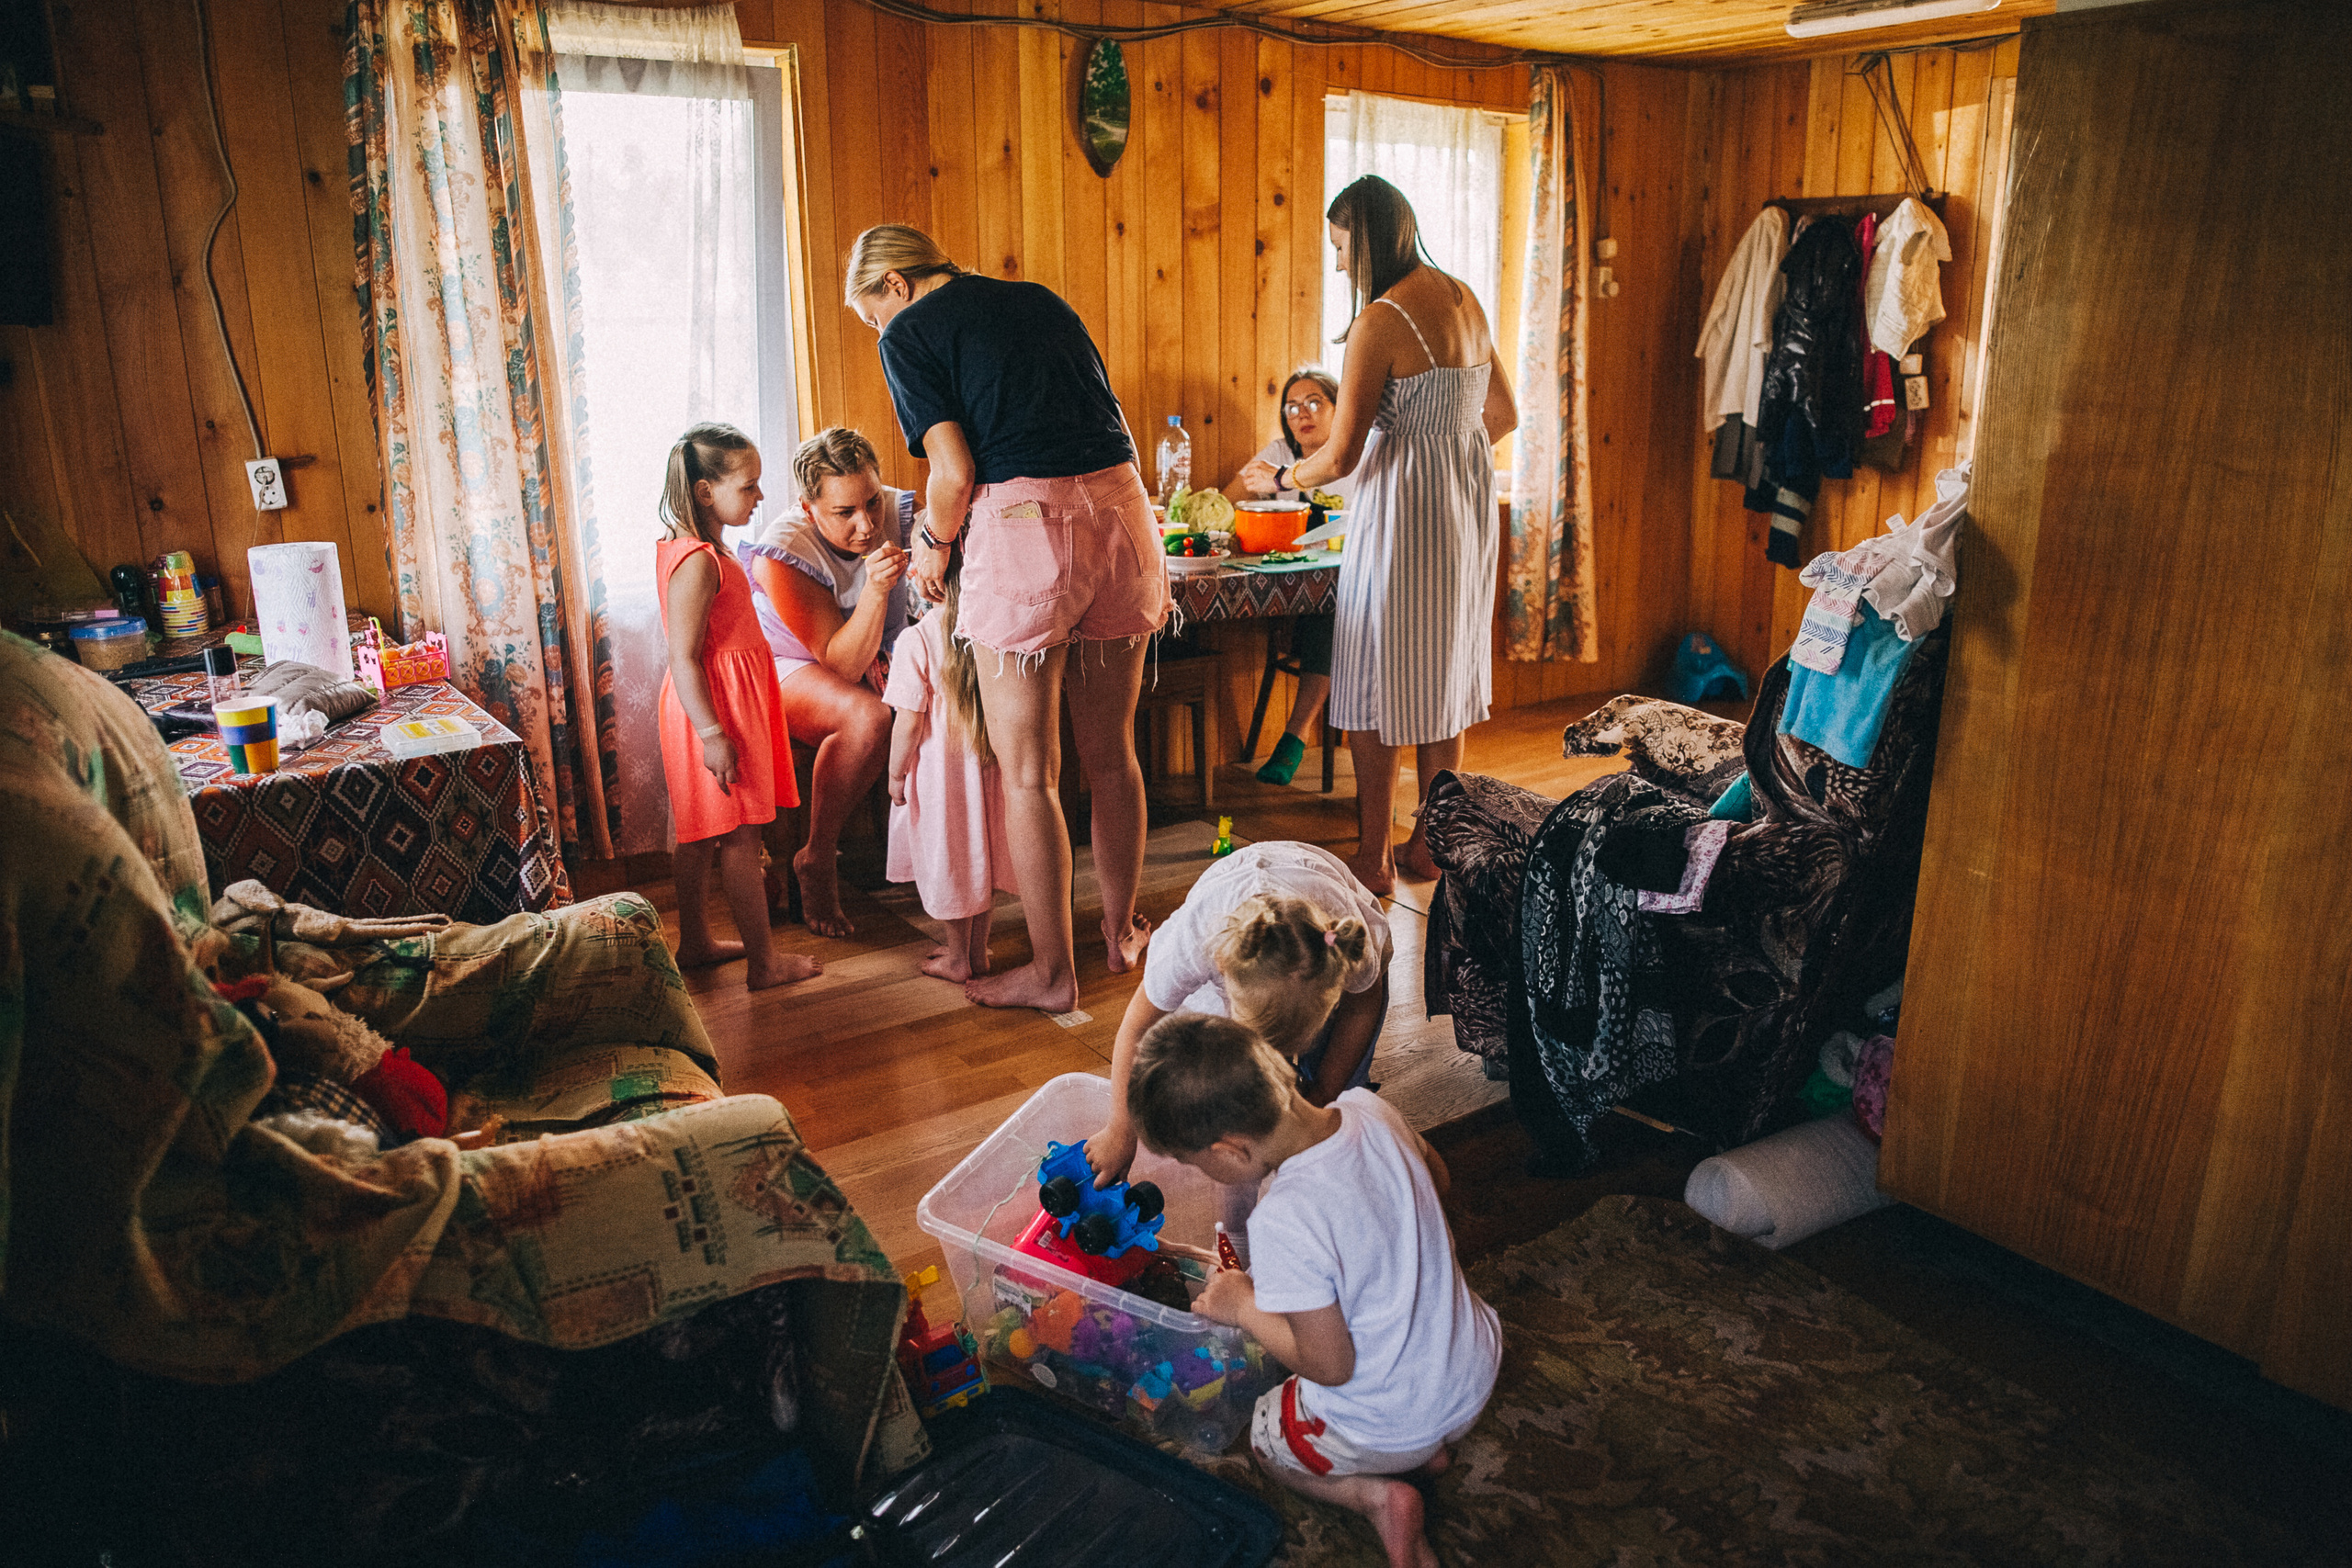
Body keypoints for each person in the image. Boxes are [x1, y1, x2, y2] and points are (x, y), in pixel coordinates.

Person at [848, 223, 1168, 1012]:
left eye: (872, 316)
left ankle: (1053, 975)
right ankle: (1123, 934)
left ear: (894, 285)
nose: (880, 333)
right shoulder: (1038, 299)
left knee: (1031, 772)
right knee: (1112, 752)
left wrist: (932, 544)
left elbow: (952, 472)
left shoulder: (911, 330)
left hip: (1025, 527)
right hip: (1125, 515)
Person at [1129, 1015, 1500, 1568]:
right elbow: (1438, 1180)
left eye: (1194, 1161)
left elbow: (1330, 1365)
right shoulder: (1369, 1109)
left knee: (1268, 1439)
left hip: (1398, 1417)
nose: (1200, 1172)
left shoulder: (1281, 1217)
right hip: (1473, 1369)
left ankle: (1380, 1495)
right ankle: (1419, 1450)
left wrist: (1243, 1306)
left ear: (1230, 1151)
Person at [1282, 176, 1519, 896]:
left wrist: (1290, 480)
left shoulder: (1379, 320)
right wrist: (1448, 453)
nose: (1339, 264)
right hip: (1465, 515)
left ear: (1370, 239)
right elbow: (1503, 414)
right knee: (1440, 677)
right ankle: (1430, 844)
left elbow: (1343, 451)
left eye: (1342, 247)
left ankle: (1373, 856)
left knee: (1375, 676)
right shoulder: (1465, 297)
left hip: (1404, 516)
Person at [1083, 840, 1390, 1257]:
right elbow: (1136, 1029)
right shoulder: (1196, 943)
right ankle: (1237, 1241)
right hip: (1227, 919)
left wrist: (1327, 1091)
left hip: (1334, 938)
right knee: (1240, 1111)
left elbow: (1363, 1003)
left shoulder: (1343, 948)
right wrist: (1121, 1128)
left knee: (1335, 1108)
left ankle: (1335, 1189)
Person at [655, 422, 821, 990]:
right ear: (706, 492)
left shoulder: (705, 551)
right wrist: (711, 733)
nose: (759, 496)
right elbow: (683, 655)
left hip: (721, 705)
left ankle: (697, 941)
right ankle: (764, 964)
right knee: (741, 836)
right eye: (748, 486)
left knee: (700, 833)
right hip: (714, 711)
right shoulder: (699, 559)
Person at [738, 427, 912, 937]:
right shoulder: (784, 550)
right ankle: (816, 857)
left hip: (865, 649)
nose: (866, 524)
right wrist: (878, 589)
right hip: (784, 662)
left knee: (947, 700)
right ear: (808, 507)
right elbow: (838, 664)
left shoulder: (895, 513)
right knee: (868, 718)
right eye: (844, 513)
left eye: (872, 501)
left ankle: (942, 863)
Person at [884, 549, 1016, 983]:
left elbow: (907, 723)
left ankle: (959, 957)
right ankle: (976, 952)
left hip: (942, 782)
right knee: (981, 860)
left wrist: (896, 774)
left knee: (950, 863)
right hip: (988, 773)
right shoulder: (991, 630)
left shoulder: (916, 641)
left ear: (931, 580)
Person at [1231, 367, 1351, 786]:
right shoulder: (1281, 454)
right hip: (1284, 592)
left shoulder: (1351, 456)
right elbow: (1230, 499)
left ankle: (1294, 737)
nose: (1303, 413)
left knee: (1331, 613)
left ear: (1340, 408)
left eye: (1315, 402)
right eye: (1293, 406)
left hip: (1347, 593)